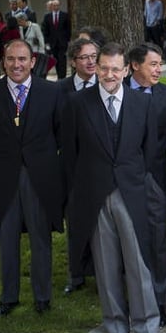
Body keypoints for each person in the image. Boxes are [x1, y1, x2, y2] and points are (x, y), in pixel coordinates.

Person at [62, 42, 162, 333]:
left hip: (130, 191)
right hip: (94, 193)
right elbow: (70, 154)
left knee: (137, 263)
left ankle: (147, 328)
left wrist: (131, 178)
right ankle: (116, 328)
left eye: (114, 69)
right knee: (106, 266)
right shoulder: (78, 103)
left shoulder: (142, 104)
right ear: (96, 67)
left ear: (125, 70)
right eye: (103, 67)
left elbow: (150, 152)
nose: (108, 74)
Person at [0, 38, 64, 316]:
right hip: (4, 177)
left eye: (22, 59)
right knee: (8, 237)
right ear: (3, 61)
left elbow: (59, 131)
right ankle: (9, 297)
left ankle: (42, 297)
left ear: (33, 62)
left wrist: (38, 157)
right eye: (11, 59)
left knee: (40, 237)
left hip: (40, 176)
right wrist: (6, 156)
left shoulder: (51, 92)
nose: (17, 65)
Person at [126, 43, 166, 326]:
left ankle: (158, 301)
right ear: (135, 65)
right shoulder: (118, 90)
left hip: (154, 177)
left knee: (157, 241)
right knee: (128, 239)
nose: (159, 69)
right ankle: (132, 300)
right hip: (123, 179)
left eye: (160, 64)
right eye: (153, 64)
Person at [58, 38, 100, 294]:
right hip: (70, 165)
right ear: (73, 61)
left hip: (98, 165)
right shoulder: (59, 89)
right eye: (84, 57)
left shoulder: (105, 86)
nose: (90, 61)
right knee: (75, 221)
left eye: (94, 56)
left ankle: (99, 271)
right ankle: (75, 275)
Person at [41, 0, 71, 79]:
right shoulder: (47, 17)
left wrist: (67, 39)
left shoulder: (64, 15)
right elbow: (45, 30)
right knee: (56, 60)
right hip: (52, 42)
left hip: (62, 42)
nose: (56, 7)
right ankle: (58, 74)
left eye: (57, 5)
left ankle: (62, 76)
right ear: (52, 6)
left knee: (62, 60)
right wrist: (46, 42)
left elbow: (68, 29)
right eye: (54, 5)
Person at [16, 12, 47, 79]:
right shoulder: (20, 28)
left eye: (19, 21)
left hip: (36, 51)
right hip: (26, 52)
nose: (18, 23)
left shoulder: (34, 26)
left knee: (38, 71)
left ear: (23, 20)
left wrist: (42, 51)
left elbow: (40, 38)